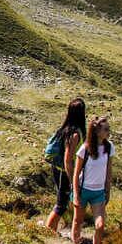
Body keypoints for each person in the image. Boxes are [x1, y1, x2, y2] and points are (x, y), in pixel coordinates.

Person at [73, 115, 115, 244]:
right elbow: (76, 174)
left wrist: (107, 191)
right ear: (97, 131)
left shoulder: (109, 147)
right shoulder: (85, 149)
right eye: (106, 129)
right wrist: (76, 194)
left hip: (98, 192)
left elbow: (109, 171)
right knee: (77, 221)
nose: (108, 132)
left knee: (100, 224)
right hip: (83, 190)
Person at [43, 98, 87, 236]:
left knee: (62, 202)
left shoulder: (65, 129)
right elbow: (68, 159)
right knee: (61, 204)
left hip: (59, 169)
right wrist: (73, 178)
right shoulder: (75, 134)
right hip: (64, 172)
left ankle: (52, 230)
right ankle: (48, 231)